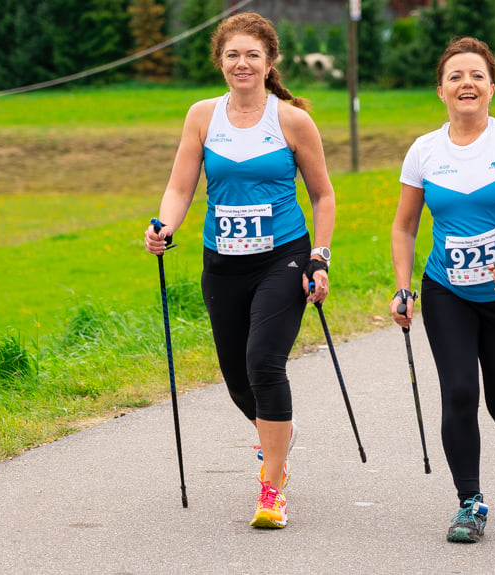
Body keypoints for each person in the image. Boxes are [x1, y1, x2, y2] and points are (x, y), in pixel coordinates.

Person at [144, 12, 335, 529]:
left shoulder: (292, 119)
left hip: (283, 258)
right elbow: (181, 186)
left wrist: (320, 255)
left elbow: (322, 194)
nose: (242, 63)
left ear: (269, 62)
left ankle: (271, 486)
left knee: (263, 362)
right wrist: (163, 224)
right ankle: (279, 434)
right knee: (235, 378)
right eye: (233, 55)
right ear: (220, 62)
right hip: (222, 263)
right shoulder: (203, 116)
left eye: (253, 54)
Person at [389, 36, 495, 543]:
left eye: (476, 75)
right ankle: (470, 502)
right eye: (456, 76)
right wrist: (402, 287)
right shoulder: (424, 151)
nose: (466, 84)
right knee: (458, 392)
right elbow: (405, 227)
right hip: (447, 290)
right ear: (441, 90)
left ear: (491, 86)